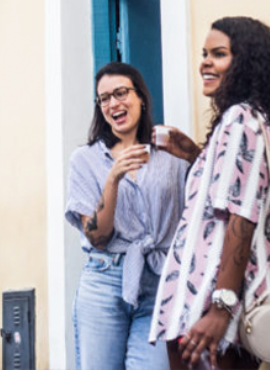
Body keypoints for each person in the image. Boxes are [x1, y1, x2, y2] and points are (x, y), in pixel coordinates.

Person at [149, 17, 270, 369]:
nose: (204, 62)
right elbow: (236, 192)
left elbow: (242, 216)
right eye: (204, 53)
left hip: (209, 301)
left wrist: (221, 308)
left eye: (218, 54)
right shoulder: (250, 121)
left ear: (245, 63)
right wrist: (196, 155)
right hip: (207, 299)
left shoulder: (242, 120)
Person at [65, 62, 189, 369]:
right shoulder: (86, 160)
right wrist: (113, 179)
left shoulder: (172, 155)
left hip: (160, 284)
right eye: (104, 98)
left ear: (141, 97)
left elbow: (203, 203)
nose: (113, 104)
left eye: (120, 93)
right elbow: (97, 236)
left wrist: (192, 152)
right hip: (104, 282)